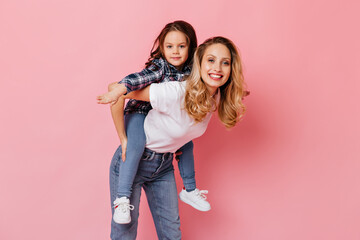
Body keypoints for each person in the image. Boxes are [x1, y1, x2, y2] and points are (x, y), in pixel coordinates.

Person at [98, 36, 248, 240]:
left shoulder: (216, 97)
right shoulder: (176, 91)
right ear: (199, 64)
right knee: (124, 233)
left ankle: (190, 189)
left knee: (171, 235)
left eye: (225, 62)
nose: (218, 68)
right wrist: (123, 137)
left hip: (164, 167)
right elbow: (118, 89)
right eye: (211, 60)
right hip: (133, 160)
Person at [100, 20, 212, 225]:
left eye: (181, 46)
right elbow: (138, 78)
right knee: (135, 145)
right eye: (169, 46)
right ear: (162, 48)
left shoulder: (193, 70)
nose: (175, 52)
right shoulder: (160, 66)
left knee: (187, 142)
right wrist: (119, 89)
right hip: (140, 113)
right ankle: (122, 198)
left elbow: (212, 80)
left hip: (164, 122)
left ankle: (190, 189)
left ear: (191, 47)